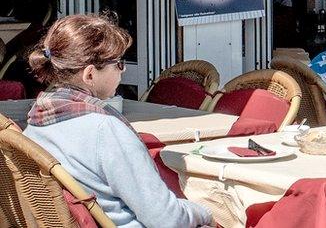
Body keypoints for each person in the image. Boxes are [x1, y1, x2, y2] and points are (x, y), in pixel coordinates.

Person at [23, 14, 212, 228]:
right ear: (90, 75)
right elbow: (167, 220)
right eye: (118, 64)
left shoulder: (36, 120)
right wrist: (207, 213)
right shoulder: (105, 130)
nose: (124, 69)